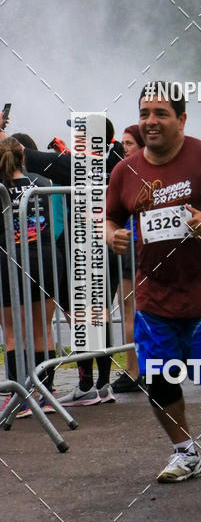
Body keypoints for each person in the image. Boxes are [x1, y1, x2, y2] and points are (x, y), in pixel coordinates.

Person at [106, 82, 201, 483]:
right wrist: (112, 235)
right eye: (144, 114)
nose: (150, 121)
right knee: (157, 375)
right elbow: (111, 218)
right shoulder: (125, 171)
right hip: (155, 293)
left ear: (182, 118)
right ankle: (184, 453)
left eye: (160, 113)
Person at [23, 118, 124, 405]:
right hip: (109, 246)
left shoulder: (73, 165)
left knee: (79, 315)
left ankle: (86, 386)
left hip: (78, 247)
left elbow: (23, 154)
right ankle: (102, 386)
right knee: (100, 313)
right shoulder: (117, 159)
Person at [0, 136, 62, 415]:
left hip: (10, 259)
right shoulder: (42, 183)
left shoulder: (2, 189)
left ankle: (19, 399)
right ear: (23, 157)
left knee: (13, 334)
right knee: (42, 330)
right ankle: (46, 394)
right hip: (45, 257)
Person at [112, 125, 145, 393]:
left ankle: (134, 371)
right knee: (134, 310)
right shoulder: (126, 170)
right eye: (123, 143)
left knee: (132, 311)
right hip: (133, 243)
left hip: (137, 244)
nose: (124, 148)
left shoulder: (132, 172)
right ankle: (137, 368)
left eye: (130, 143)